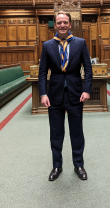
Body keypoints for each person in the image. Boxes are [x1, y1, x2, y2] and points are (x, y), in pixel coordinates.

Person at [39, 11, 93, 181]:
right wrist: (43, 93)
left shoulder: (81, 43)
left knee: (77, 132)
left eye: (65, 22)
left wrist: (87, 89)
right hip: (54, 95)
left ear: (70, 24)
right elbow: (42, 73)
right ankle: (57, 165)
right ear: (55, 25)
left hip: (76, 94)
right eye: (59, 22)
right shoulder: (47, 45)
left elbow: (88, 69)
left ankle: (78, 165)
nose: (62, 25)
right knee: (56, 133)